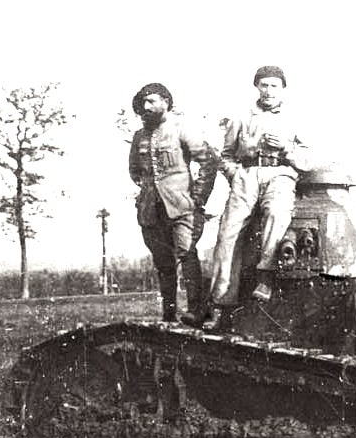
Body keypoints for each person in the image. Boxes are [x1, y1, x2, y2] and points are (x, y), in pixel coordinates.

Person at [185, 65, 314, 328]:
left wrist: (286, 148)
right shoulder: (241, 117)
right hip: (247, 175)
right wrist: (236, 175)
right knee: (228, 234)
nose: (268, 91)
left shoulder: (296, 119)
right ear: (256, 87)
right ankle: (221, 304)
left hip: (280, 173)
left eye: (274, 86)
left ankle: (265, 276)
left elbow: (308, 160)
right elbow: (226, 156)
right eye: (263, 85)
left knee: (277, 213)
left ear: (283, 89)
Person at [128, 82, 219, 323]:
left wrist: (198, 197)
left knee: (186, 253)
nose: (146, 107)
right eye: (143, 102)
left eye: (152, 101)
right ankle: (168, 314)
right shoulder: (139, 136)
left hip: (181, 207)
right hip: (151, 210)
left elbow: (209, 161)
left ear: (166, 102)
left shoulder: (181, 129)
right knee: (162, 262)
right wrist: (149, 192)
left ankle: (196, 311)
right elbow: (135, 171)